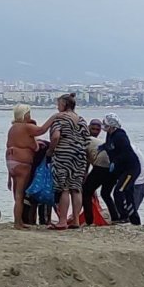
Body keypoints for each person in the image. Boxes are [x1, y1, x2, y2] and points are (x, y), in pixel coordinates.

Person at [5, 104, 59, 229]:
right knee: (20, 195)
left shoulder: (13, 128)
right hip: (22, 162)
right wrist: (54, 117)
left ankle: (18, 220)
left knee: (16, 194)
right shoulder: (26, 127)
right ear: (25, 114)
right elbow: (42, 130)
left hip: (11, 161)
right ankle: (18, 223)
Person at [47, 93, 89, 230]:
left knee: (64, 188)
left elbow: (56, 136)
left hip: (63, 154)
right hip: (80, 155)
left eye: (58, 104)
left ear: (64, 105)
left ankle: (63, 220)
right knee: (76, 188)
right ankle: (76, 219)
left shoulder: (60, 119)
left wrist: (50, 151)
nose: (57, 107)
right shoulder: (81, 120)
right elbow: (87, 140)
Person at [102, 113, 141, 225]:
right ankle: (134, 220)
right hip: (122, 170)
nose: (104, 126)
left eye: (106, 124)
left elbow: (125, 153)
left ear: (112, 125)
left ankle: (124, 217)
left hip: (131, 170)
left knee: (120, 191)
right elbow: (110, 147)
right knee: (128, 193)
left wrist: (115, 162)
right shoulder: (110, 135)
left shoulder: (120, 136)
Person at [83, 119, 120, 225]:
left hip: (101, 165)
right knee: (106, 193)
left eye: (97, 129)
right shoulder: (95, 141)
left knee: (86, 192)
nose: (95, 131)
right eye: (93, 128)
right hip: (112, 166)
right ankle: (115, 217)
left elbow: (85, 161)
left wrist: (85, 175)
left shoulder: (85, 140)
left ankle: (89, 221)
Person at [131, 143, 144, 222]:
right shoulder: (129, 147)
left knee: (132, 211)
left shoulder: (130, 150)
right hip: (141, 182)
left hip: (139, 183)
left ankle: (135, 224)